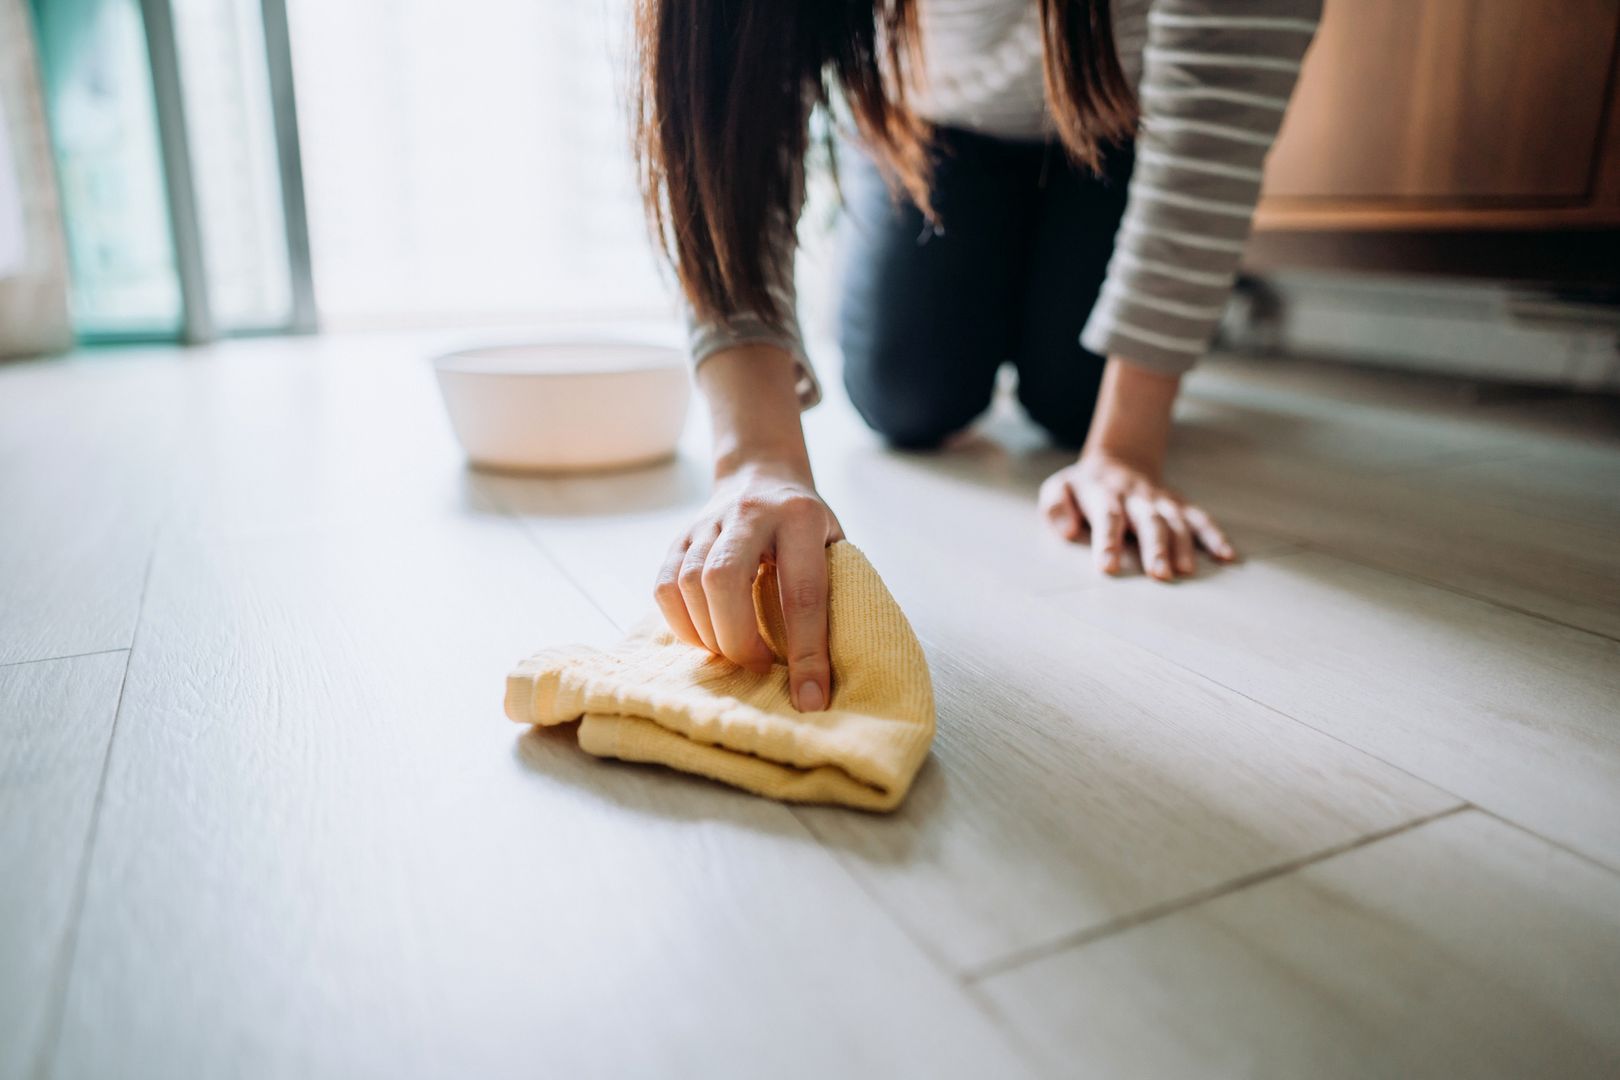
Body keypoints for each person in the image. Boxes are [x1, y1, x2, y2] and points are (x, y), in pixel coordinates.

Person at [634, 0, 1321, 713]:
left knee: (1073, 401)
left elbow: (1217, 114)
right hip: (931, 120)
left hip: (1121, 119)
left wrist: (1126, 449)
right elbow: (727, 109)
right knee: (905, 396)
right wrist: (754, 455)